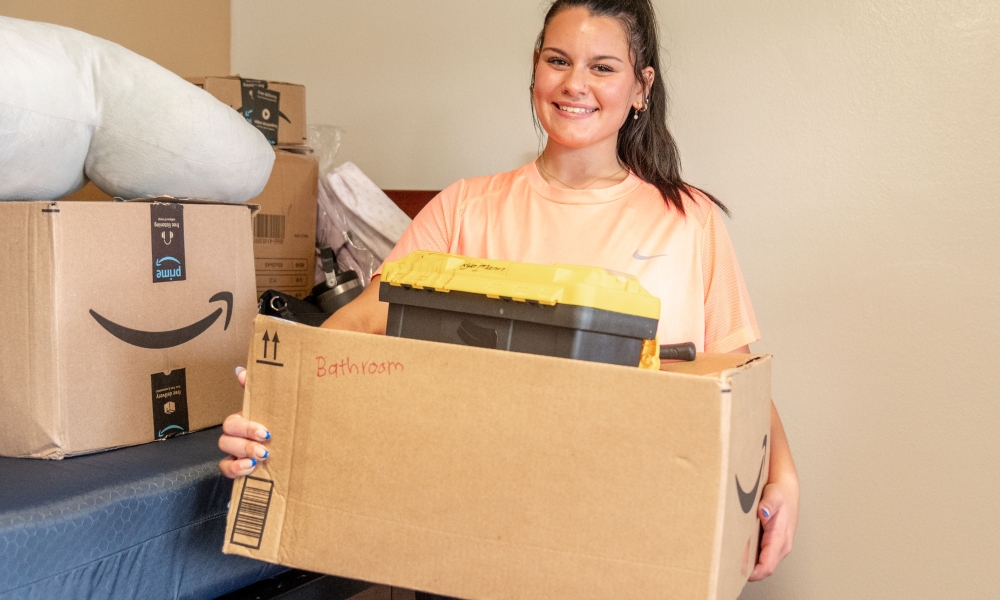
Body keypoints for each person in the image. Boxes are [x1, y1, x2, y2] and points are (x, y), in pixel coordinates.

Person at [219, 0, 799, 588]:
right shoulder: (463, 210)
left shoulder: (687, 220)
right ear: (535, 68)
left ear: (641, 87)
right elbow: (359, 332)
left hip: (635, 549)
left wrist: (784, 476)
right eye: (558, 60)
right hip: (474, 547)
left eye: (603, 67)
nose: (575, 84)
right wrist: (276, 404)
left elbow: (735, 373)